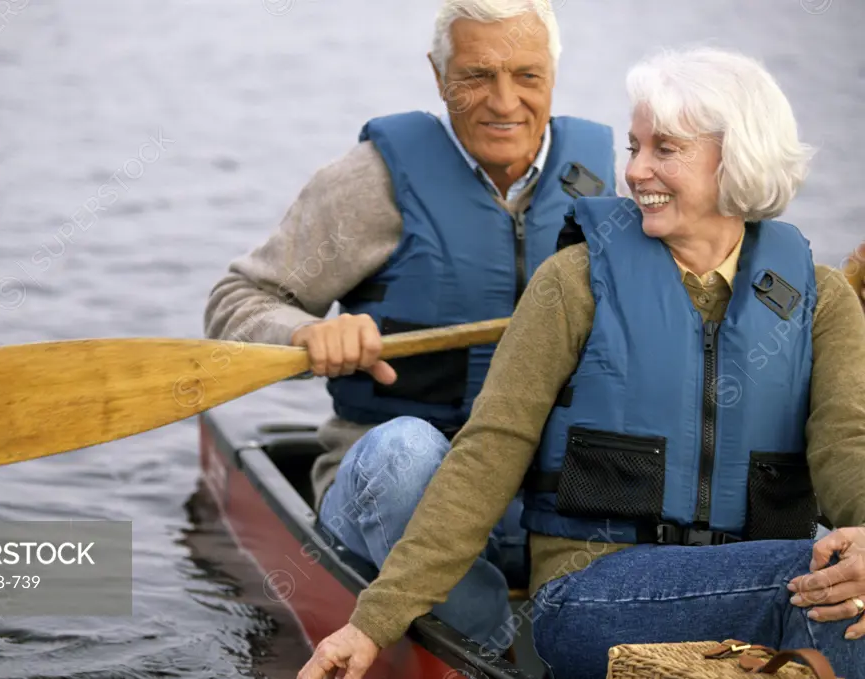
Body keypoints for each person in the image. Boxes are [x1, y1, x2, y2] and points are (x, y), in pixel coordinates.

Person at [297, 46, 865, 679]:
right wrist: (372, 622)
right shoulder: (573, 281)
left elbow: (848, 446)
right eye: (633, 148)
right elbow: (488, 454)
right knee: (824, 576)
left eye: (666, 150)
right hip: (595, 596)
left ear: (738, 159)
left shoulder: (822, 301)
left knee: (849, 579)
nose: (635, 173)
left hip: (752, 585)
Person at [203, 0, 616, 652]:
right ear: (438, 74)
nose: (504, 101)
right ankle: (494, 647)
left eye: (527, 76)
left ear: (554, 75)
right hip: (390, 491)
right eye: (477, 75)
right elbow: (239, 298)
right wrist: (302, 335)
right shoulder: (371, 183)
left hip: (538, 497)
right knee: (405, 454)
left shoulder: (610, 189)